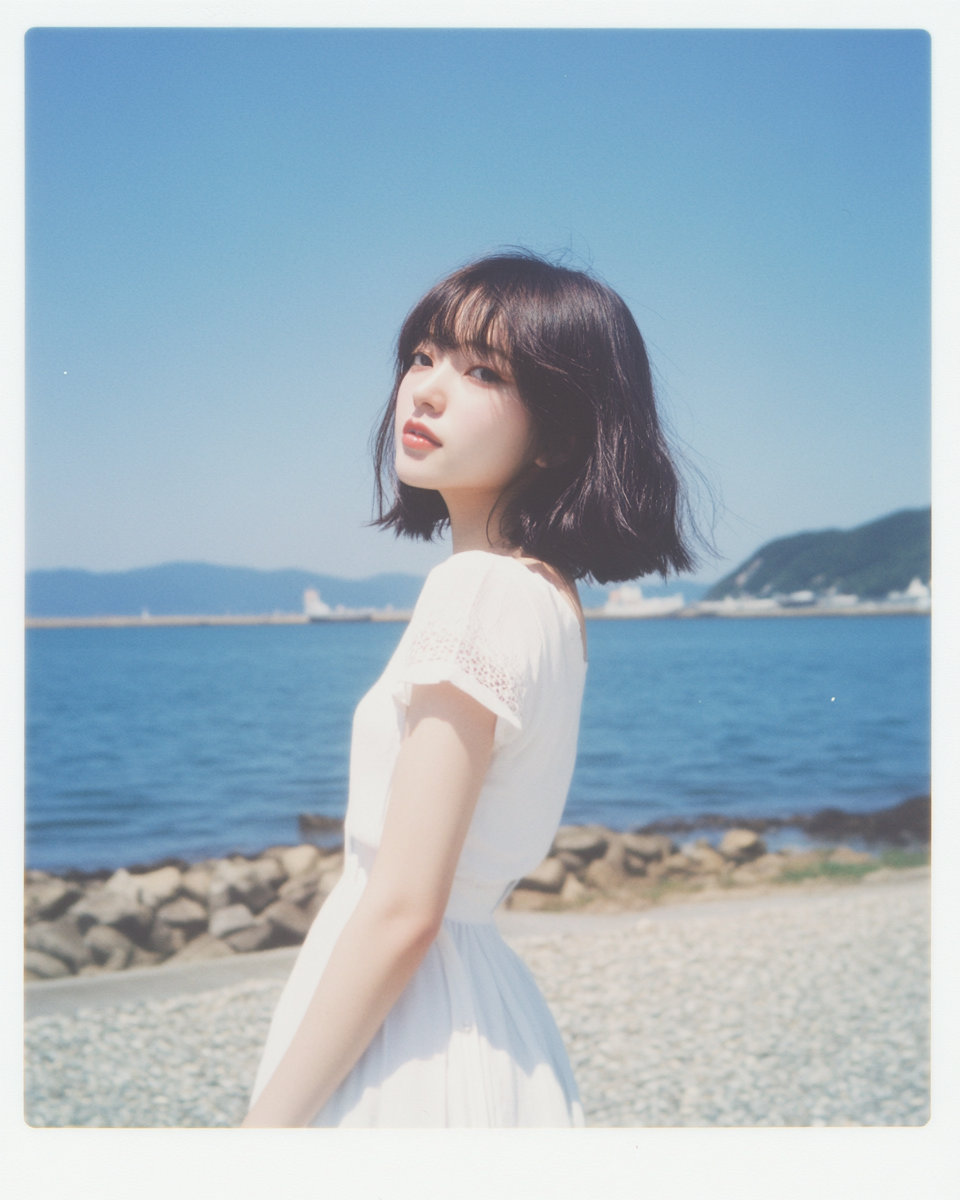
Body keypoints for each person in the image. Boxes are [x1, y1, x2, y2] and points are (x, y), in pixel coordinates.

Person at [242, 251, 694, 1128]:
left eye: (482, 371)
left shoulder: (479, 590)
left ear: (561, 434)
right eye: (423, 356)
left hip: (410, 1032)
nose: (427, 390)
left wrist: (261, 1140)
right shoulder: (550, 598)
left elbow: (407, 908)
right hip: (478, 1006)